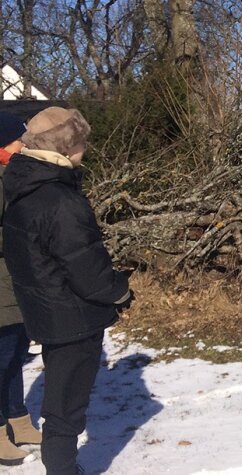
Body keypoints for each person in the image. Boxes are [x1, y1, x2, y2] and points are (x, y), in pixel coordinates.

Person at [2, 107, 132, 474]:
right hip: (72, 315)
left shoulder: (23, 188)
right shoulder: (59, 199)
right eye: (81, 141)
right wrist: (119, 290)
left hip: (45, 310)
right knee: (66, 409)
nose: (86, 149)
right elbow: (86, 267)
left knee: (62, 402)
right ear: (65, 145)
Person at [0, 111, 42, 466]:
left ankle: (19, 421)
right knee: (1, 359)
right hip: (1, 284)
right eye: (19, 140)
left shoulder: (14, 176)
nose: (25, 145)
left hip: (16, 281)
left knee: (15, 355)